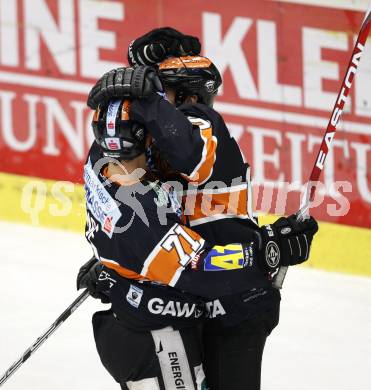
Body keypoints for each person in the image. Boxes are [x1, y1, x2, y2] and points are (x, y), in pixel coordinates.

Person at [84, 28, 319, 390]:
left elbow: (187, 155)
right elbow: (179, 255)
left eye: (164, 90)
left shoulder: (195, 125)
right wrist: (118, 268)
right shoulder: (139, 151)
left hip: (233, 303)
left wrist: (268, 249)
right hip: (194, 297)